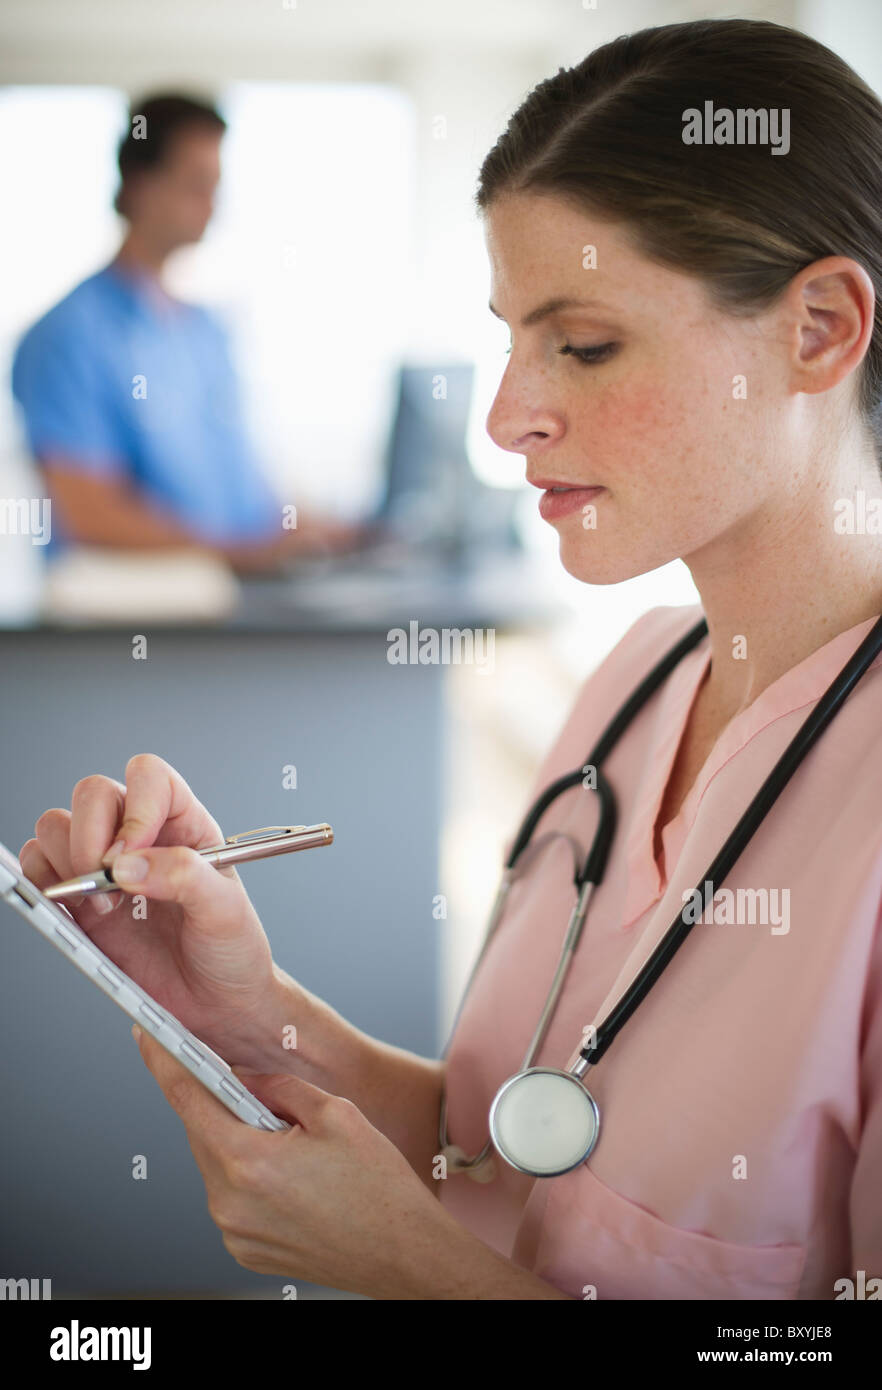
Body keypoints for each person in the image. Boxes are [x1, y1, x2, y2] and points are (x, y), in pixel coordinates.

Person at [20, 18, 882, 1298]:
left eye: (583, 344)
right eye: (512, 339)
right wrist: (256, 1015)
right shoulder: (637, 682)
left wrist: (419, 1272)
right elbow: (504, 1145)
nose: (504, 416)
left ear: (817, 329)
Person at [11, 93, 355, 573]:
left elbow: (247, 495)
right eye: (197, 185)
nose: (212, 205)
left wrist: (322, 532)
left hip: (239, 591)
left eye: (215, 186)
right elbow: (89, 515)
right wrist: (243, 555)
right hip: (143, 607)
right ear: (140, 184)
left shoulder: (206, 332)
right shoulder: (66, 336)